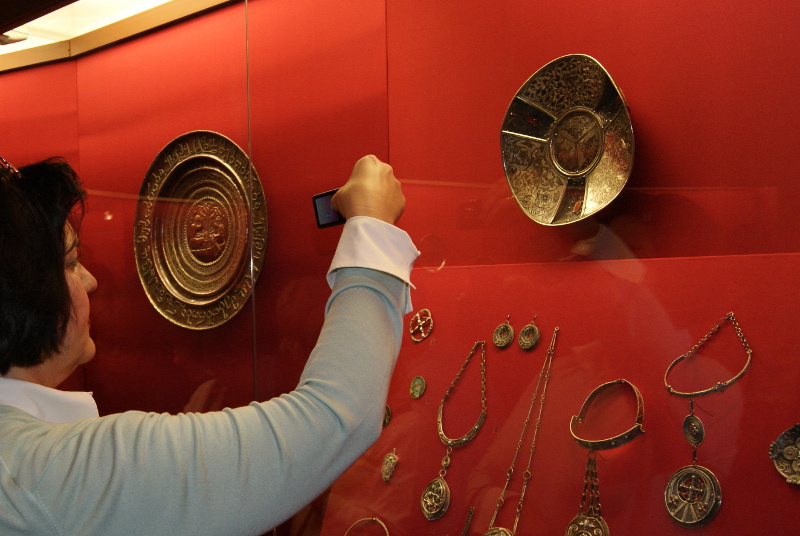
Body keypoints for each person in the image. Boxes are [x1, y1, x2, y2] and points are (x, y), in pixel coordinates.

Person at [0, 154, 419, 535]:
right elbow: (332, 418)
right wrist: (372, 226)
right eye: (72, 263)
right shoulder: (51, 473)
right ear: (20, 292)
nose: (90, 281)